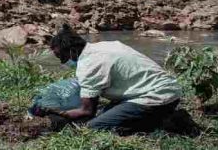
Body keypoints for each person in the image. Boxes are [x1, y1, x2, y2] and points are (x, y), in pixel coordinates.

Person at [45, 24, 182, 134]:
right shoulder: (105, 45)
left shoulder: (90, 64)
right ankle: (161, 117)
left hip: (157, 97)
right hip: (169, 90)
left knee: (93, 127)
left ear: (72, 51)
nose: (63, 62)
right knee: (103, 112)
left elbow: (87, 111)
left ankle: (163, 124)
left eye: (62, 57)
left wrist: (60, 113)